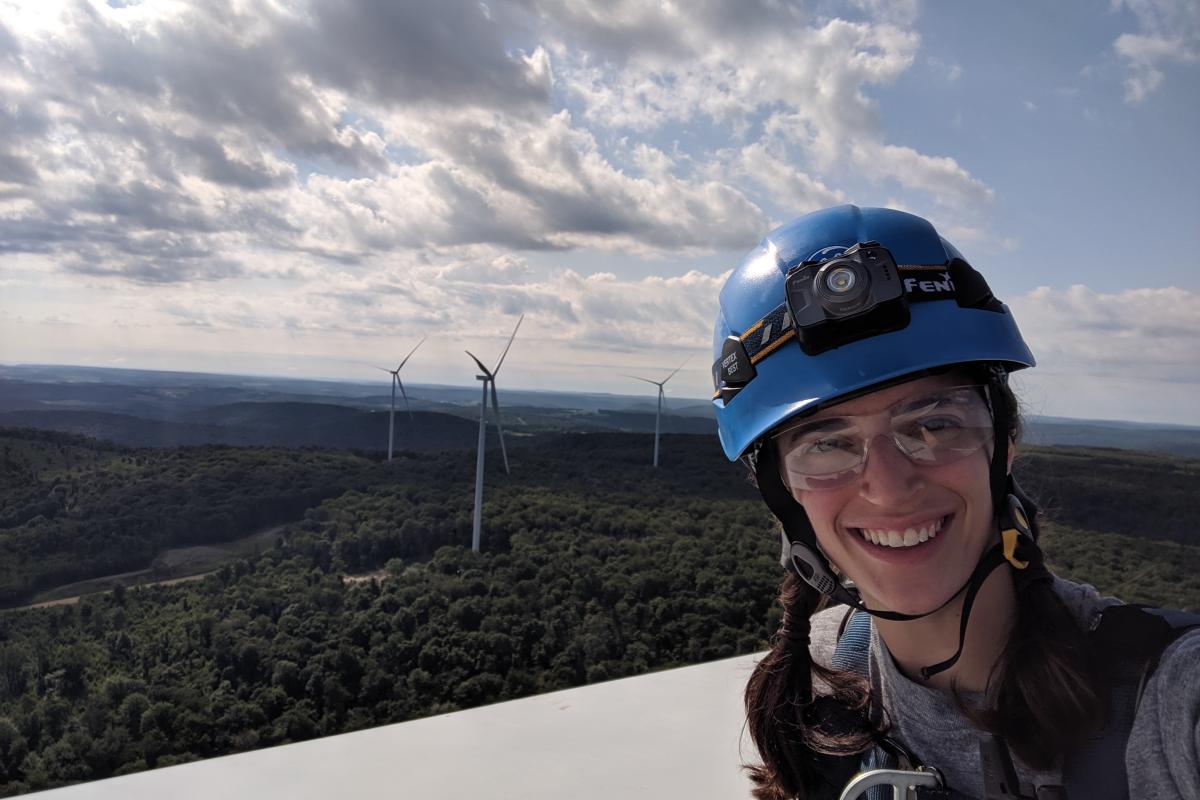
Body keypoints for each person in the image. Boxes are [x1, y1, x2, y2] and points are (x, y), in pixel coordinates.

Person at [709, 205, 1200, 799]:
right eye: (827, 443)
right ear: (782, 491)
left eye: (934, 424)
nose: (888, 487)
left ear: (1005, 441)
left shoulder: (1171, 697)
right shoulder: (821, 677)